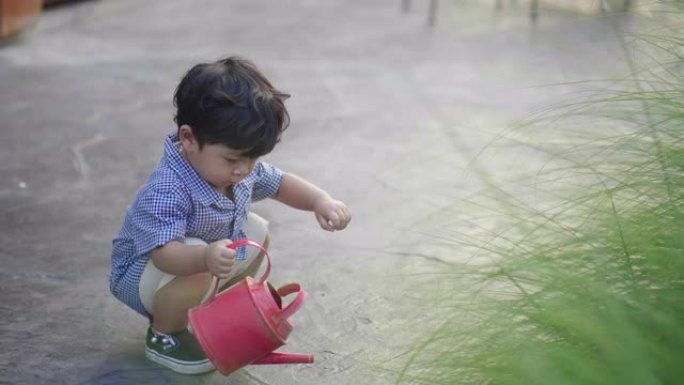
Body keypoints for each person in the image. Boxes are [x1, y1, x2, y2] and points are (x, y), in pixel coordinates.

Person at [109, 56, 351, 374]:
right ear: (188, 139)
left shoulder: (239, 167)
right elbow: (164, 255)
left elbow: (279, 183)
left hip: (196, 259)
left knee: (257, 231)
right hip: (142, 273)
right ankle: (164, 334)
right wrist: (206, 258)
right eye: (232, 159)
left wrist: (320, 200)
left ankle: (199, 306)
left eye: (252, 160)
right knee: (200, 268)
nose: (243, 170)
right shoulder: (168, 189)